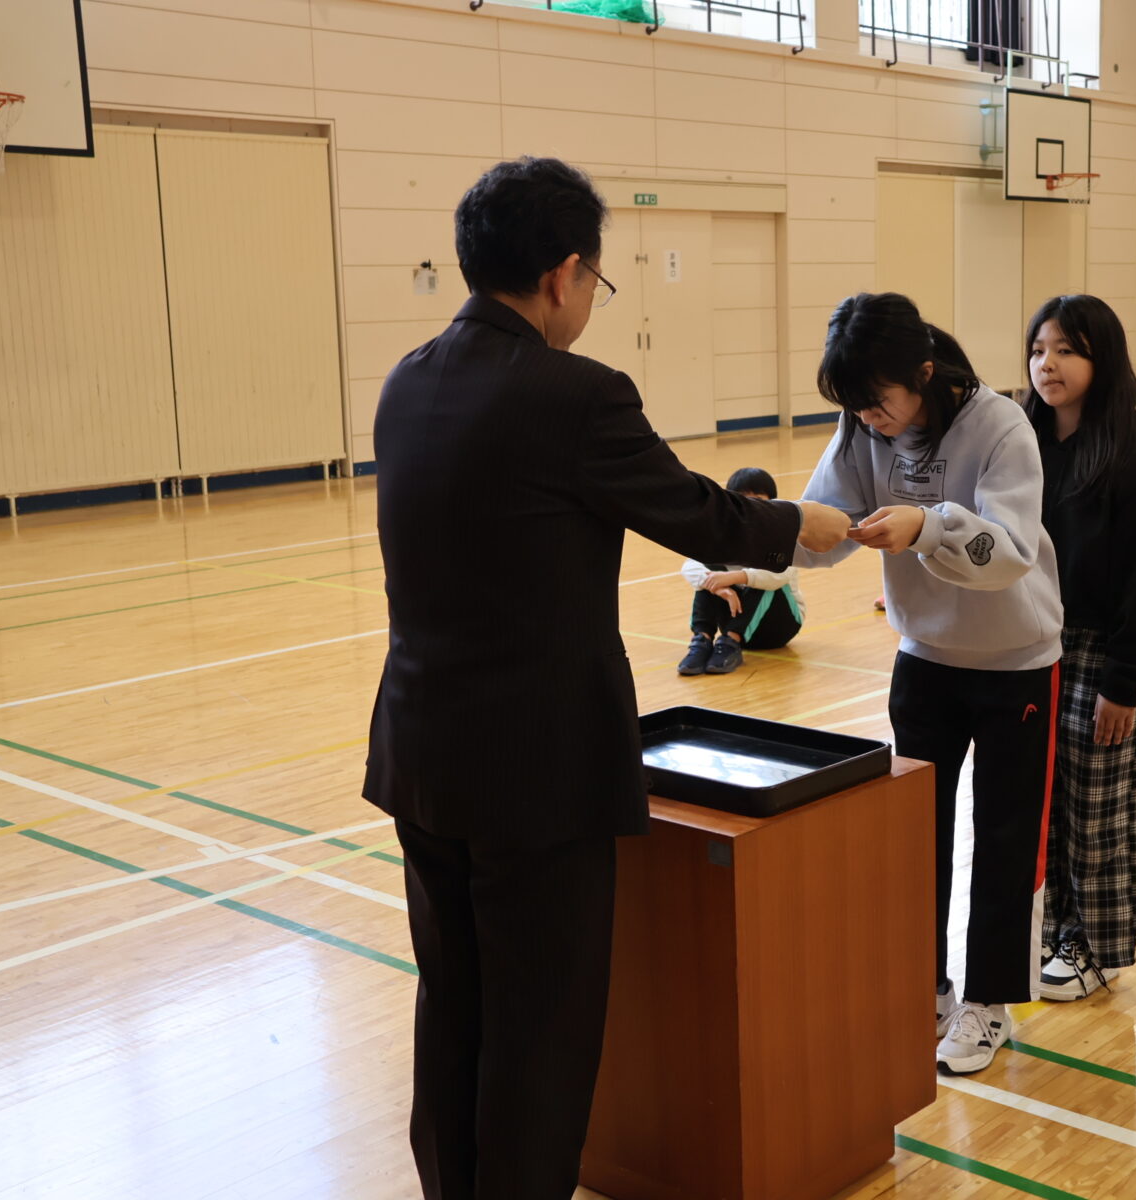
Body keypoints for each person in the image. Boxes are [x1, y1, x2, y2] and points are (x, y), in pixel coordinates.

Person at [363, 156, 849, 1200]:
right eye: (596, 282)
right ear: (564, 274)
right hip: (535, 777)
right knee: (540, 1034)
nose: (588, 300)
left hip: (421, 758)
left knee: (455, 1003)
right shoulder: (574, 394)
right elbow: (699, 514)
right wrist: (810, 525)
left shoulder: (408, 380)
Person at [796, 292, 1064, 1075]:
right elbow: (823, 522)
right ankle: (928, 987)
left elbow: (1011, 552)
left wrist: (926, 524)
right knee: (915, 836)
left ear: (922, 371)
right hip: (924, 660)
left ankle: (988, 1005)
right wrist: (760, 545)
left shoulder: (1001, 427)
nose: (869, 420)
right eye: (855, 408)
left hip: (1016, 660)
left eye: (878, 403)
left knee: (1009, 839)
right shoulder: (859, 427)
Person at [1024, 295, 1136, 1002]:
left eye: (1066, 350)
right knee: (1044, 807)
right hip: (1029, 646)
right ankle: (1059, 930)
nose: (1046, 364)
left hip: (1102, 655)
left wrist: (1125, 681)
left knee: (1096, 813)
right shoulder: (1021, 446)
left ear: (1102, 359)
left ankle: (1100, 945)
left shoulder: (1135, 465)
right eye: (1038, 349)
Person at [678, 466, 805, 675]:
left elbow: (780, 575)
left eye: (759, 499)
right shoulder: (722, 533)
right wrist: (720, 588)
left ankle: (730, 642)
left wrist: (734, 577)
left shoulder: (781, 534)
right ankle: (702, 640)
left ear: (772, 502)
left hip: (778, 627)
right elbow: (689, 566)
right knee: (707, 573)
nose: (752, 504)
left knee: (763, 577)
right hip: (734, 618)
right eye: (743, 498)